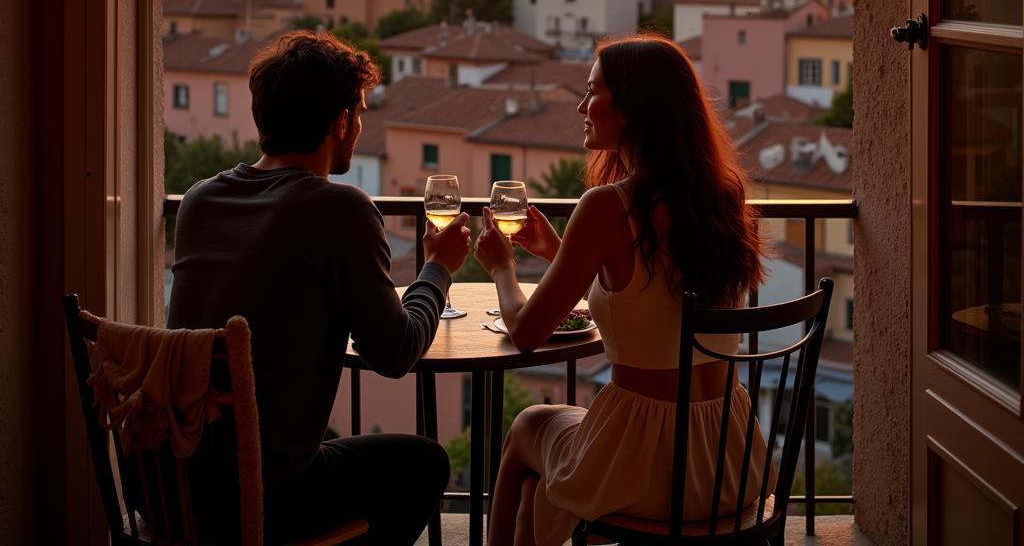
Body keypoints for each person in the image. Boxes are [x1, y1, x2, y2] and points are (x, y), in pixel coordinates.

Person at [168, 29, 471, 545]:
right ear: (341, 122)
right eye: (360, 112)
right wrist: (438, 268)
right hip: (268, 494)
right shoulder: (339, 209)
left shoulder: (199, 199)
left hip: (178, 487)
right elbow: (394, 353)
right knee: (424, 463)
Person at [473, 33, 770, 546]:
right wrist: (559, 253)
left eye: (593, 92)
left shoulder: (609, 206)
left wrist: (502, 267)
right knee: (547, 459)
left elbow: (525, 333)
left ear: (633, 106)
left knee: (527, 427)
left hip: (649, 470)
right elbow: (653, 300)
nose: (582, 107)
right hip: (729, 460)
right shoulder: (723, 197)